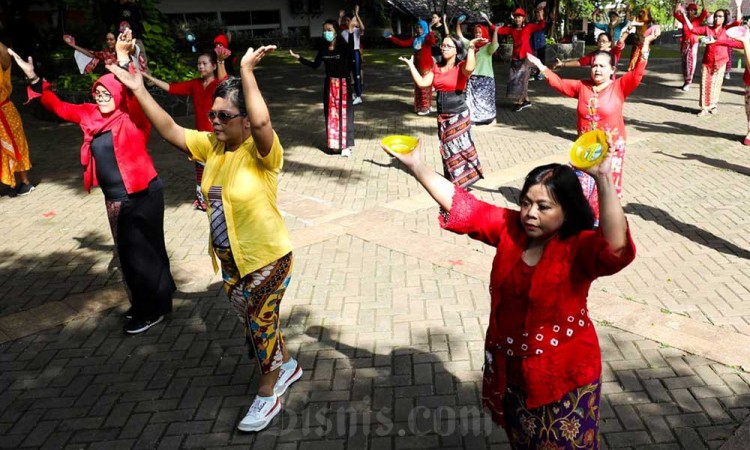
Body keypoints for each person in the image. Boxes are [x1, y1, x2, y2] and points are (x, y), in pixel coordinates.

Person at [382, 137, 635, 448]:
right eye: (526, 202)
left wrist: (604, 178)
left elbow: (615, 247)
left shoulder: (578, 246)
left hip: (566, 376)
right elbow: (465, 206)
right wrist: (417, 166)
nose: (530, 213)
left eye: (544, 207)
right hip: (512, 373)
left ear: (567, 212)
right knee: (524, 443)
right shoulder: (510, 229)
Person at [108, 40, 302, 433]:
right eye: (212, 114)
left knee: (260, 325)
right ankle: (288, 365)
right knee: (254, 324)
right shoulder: (212, 146)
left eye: (224, 116)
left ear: (244, 121)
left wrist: (246, 73)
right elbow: (170, 130)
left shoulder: (262, 151)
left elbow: (264, 123)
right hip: (231, 262)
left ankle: (268, 394)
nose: (214, 121)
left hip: (266, 258)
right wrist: (138, 88)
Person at [8, 30, 175, 333]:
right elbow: (58, 106)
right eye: (98, 92)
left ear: (119, 93)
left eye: (107, 93)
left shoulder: (131, 116)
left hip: (142, 194)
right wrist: (34, 80)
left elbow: (135, 90)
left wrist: (123, 59)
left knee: (144, 255)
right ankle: (151, 303)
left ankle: (151, 310)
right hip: (115, 200)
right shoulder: (91, 114)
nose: (101, 96)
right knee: (130, 256)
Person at [527, 29, 660, 220]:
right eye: (594, 65)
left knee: (605, 188)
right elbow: (559, 83)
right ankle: (584, 220)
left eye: (602, 66)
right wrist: (540, 66)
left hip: (611, 149)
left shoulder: (620, 86)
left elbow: (638, 72)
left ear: (612, 70)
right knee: (581, 186)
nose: (597, 69)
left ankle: (602, 224)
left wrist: (646, 43)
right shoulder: (582, 87)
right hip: (586, 148)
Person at [141, 52, 228, 211]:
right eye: (198, 64)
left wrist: (222, 62)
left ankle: (217, 202)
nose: (200, 66)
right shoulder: (195, 84)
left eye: (204, 63)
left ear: (213, 66)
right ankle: (203, 201)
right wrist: (148, 78)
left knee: (216, 169)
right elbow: (172, 88)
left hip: (216, 136)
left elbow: (224, 81)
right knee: (201, 169)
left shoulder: (218, 85)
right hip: (200, 135)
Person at [399, 34, 486, 188]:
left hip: (458, 114)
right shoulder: (437, 67)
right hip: (442, 116)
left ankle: (462, 182)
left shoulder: (460, 67)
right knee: (447, 150)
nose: (444, 48)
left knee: (460, 148)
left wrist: (471, 48)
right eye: (443, 46)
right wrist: (411, 65)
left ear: (456, 49)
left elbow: (470, 68)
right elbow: (422, 83)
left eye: (448, 46)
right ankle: (455, 180)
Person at [290, 20, 355, 157]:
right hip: (330, 85)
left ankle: (346, 146)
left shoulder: (343, 47)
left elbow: (351, 50)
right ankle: (333, 144)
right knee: (331, 115)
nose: (327, 33)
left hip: (343, 84)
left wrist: (350, 30)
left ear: (336, 32)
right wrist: (299, 58)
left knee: (345, 115)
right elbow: (315, 65)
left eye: (329, 30)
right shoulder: (324, 49)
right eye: (325, 30)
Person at [680, 2, 742, 116]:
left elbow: (738, 21)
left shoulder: (726, 29)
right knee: (705, 84)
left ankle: (713, 105)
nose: (717, 18)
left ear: (724, 19)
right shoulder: (707, 29)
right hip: (707, 62)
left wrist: (738, 6)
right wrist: (684, 15)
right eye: (716, 16)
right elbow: (692, 29)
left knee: (716, 84)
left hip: (721, 61)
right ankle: (704, 107)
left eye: (720, 16)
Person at [496, 7, 550, 111]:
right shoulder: (511, 29)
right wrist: (489, 22)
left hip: (526, 58)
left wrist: (541, 15)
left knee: (522, 80)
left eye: (519, 17)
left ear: (523, 18)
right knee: (514, 79)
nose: (517, 19)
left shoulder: (528, 27)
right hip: (515, 58)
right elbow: (499, 30)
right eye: (516, 17)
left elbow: (541, 26)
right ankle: (527, 100)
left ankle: (520, 102)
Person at [0, 40, 33, 196]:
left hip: (5, 111)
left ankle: (25, 182)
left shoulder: (3, 61)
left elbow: (6, 54)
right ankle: (6, 181)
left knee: (17, 144)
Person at [387, 19, 437, 115]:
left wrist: (430, 29)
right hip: (417, 65)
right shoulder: (415, 39)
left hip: (426, 66)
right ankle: (420, 106)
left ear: (425, 28)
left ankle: (426, 107)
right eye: (417, 27)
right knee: (419, 87)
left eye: (421, 27)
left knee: (426, 86)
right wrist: (392, 38)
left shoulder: (427, 38)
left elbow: (432, 41)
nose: (419, 29)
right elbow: (403, 43)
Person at [455, 17, 499, 125]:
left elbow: (494, 44)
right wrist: (458, 24)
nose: (477, 34)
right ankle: (474, 118)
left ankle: (488, 118)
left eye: (480, 32)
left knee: (485, 100)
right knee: (472, 100)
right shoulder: (471, 44)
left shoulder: (488, 46)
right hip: (473, 77)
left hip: (486, 77)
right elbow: (460, 37)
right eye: (476, 32)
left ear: (484, 33)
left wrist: (496, 31)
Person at [673, 1, 709, 91]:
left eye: (692, 10)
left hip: (693, 44)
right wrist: (678, 2)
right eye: (689, 10)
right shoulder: (684, 19)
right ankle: (686, 80)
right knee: (684, 63)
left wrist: (702, 1)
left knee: (691, 63)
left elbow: (705, 11)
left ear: (695, 11)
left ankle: (689, 82)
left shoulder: (698, 20)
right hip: (685, 44)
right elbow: (675, 13)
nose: (690, 12)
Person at [554, 30, 629, 73]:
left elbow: (620, 43)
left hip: (609, 85)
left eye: (604, 41)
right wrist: (563, 64)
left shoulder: (614, 53)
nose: (601, 43)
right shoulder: (594, 55)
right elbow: (579, 62)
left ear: (609, 43)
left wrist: (628, 30)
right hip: (595, 85)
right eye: (599, 41)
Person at [340, 5, 366, 104]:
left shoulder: (356, 31)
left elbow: (362, 27)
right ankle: (351, 94)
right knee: (347, 75)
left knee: (357, 75)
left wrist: (357, 15)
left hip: (355, 53)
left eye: (347, 20)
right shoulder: (343, 32)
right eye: (345, 20)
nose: (346, 22)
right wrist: (340, 17)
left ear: (352, 21)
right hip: (347, 54)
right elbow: (337, 29)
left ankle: (359, 96)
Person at [626, 6, 654, 72]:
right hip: (637, 40)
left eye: (643, 12)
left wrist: (650, 11)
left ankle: (639, 67)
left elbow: (651, 19)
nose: (641, 13)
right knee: (634, 54)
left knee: (643, 54)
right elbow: (628, 19)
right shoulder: (636, 19)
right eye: (640, 12)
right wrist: (627, 11)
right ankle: (632, 67)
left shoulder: (647, 20)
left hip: (644, 40)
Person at [529, 6, 552, 81]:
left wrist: (543, 17)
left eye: (539, 13)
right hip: (532, 44)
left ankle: (541, 73)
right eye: (536, 13)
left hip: (541, 44)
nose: (537, 15)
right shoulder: (532, 22)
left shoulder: (544, 22)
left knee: (541, 60)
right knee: (532, 60)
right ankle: (532, 74)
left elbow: (549, 24)